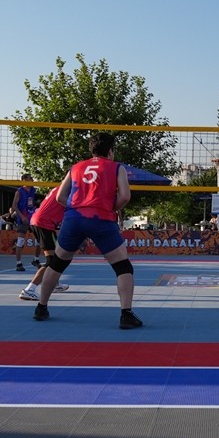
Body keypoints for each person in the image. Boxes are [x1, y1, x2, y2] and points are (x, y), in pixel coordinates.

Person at [34, 131, 141, 329]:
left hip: (74, 218)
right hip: (101, 218)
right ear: (110, 151)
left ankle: (41, 307)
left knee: (57, 264)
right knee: (122, 267)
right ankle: (126, 314)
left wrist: (75, 206)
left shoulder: (75, 167)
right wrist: (110, 208)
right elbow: (125, 197)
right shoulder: (117, 168)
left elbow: (60, 197)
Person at [19, 183, 70, 302]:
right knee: (51, 260)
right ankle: (29, 290)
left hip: (40, 221)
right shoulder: (69, 189)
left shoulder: (61, 187)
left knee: (58, 255)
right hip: (44, 223)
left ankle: (55, 283)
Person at [10, 175, 39, 271]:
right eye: (30, 179)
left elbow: (31, 203)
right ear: (24, 180)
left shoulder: (33, 190)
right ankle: (18, 263)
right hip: (23, 219)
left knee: (39, 239)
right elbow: (14, 205)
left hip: (32, 218)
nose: (32, 180)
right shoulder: (19, 191)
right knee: (20, 241)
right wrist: (22, 216)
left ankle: (36, 259)